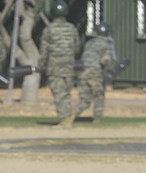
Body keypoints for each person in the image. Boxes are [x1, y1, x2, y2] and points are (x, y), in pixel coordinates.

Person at [38, 0, 81, 128]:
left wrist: (41, 64)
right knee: (66, 92)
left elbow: (44, 49)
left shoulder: (49, 29)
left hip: (54, 65)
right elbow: (77, 47)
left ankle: (65, 119)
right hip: (68, 64)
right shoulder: (72, 28)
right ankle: (68, 115)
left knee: (58, 92)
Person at [75, 23, 115, 122]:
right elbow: (105, 61)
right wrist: (111, 71)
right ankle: (97, 118)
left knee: (85, 100)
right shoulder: (105, 45)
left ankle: (71, 115)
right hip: (95, 72)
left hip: (83, 71)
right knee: (99, 95)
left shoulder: (89, 43)